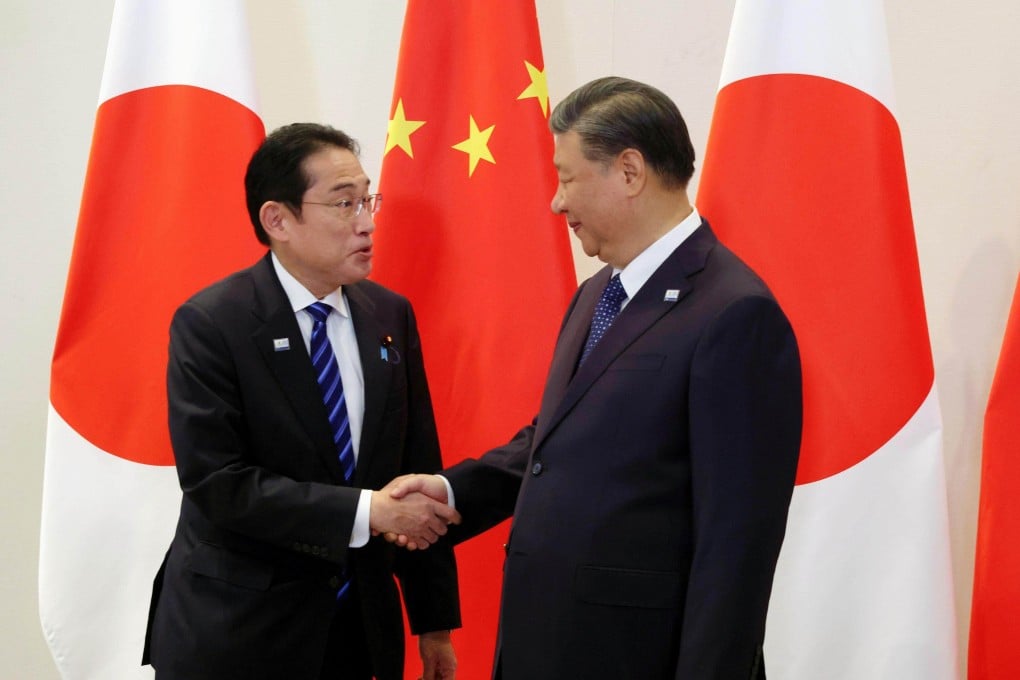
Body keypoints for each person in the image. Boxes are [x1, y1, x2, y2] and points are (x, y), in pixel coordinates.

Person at [388, 77, 803, 679]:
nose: (556, 202)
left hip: (636, 657)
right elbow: (555, 443)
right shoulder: (596, 294)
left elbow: (736, 544)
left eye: (567, 177)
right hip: (546, 644)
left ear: (629, 171)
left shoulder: (734, 312)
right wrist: (452, 495)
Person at [142, 123, 461, 680]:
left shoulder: (389, 316)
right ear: (278, 219)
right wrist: (369, 512)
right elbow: (220, 484)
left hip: (359, 633)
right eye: (344, 204)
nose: (366, 222)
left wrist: (434, 625)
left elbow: (417, 469)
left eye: (368, 200)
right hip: (241, 633)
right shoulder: (213, 323)